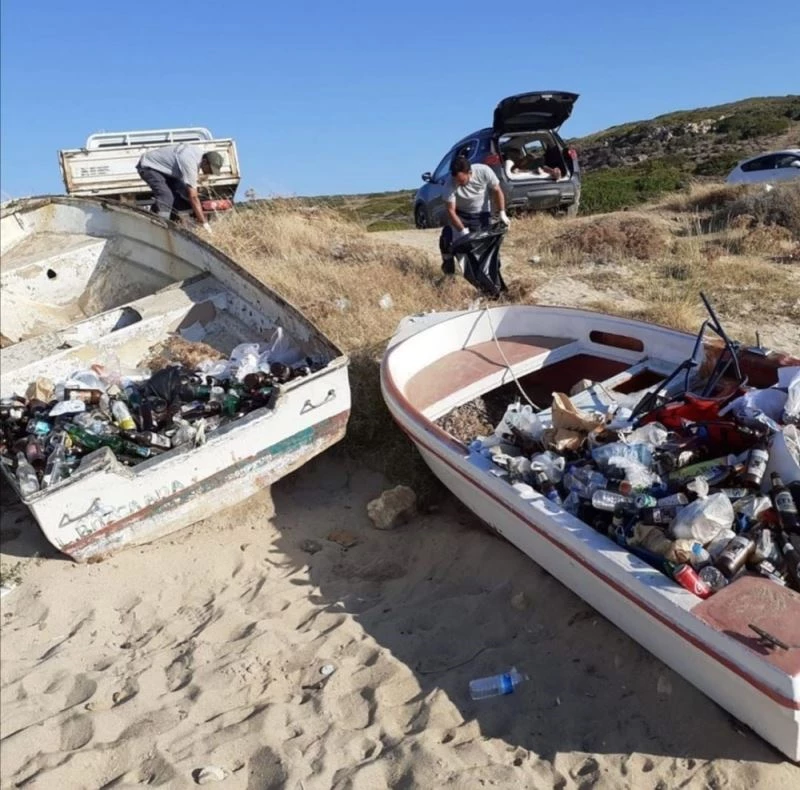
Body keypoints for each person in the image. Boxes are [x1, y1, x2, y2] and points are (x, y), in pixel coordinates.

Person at [440, 156, 509, 274]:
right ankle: (449, 273)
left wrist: (502, 213)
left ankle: (491, 274)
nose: (459, 183)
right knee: (446, 239)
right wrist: (462, 231)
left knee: (483, 248)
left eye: (462, 181)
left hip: (481, 214)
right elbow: (451, 210)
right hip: (461, 215)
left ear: (470, 173)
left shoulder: (484, 171)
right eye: (456, 180)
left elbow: (497, 190)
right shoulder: (450, 183)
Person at [135, 144, 223, 231]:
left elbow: (189, 194)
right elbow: (193, 197)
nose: (211, 172)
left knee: (183, 194)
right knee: (166, 196)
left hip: (166, 170)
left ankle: (156, 217)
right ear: (205, 162)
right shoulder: (190, 162)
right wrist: (204, 223)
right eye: (211, 169)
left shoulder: (200, 155)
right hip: (149, 166)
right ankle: (160, 226)